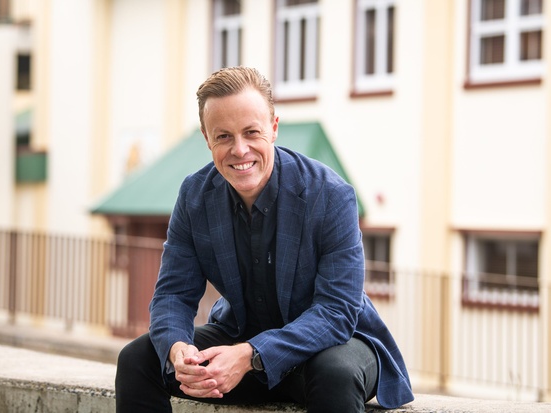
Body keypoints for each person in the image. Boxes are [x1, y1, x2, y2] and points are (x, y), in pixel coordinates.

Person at [115, 66, 414, 413]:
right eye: (223, 136)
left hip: (332, 345)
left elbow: (337, 312)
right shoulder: (194, 196)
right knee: (138, 360)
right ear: (207, 138)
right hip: (240, 339)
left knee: (335, 374)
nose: (239, 149)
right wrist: (178, 349)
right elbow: (173, 294)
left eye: (251, 132)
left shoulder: (330, 195)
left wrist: (251, 355)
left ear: (273, 127)